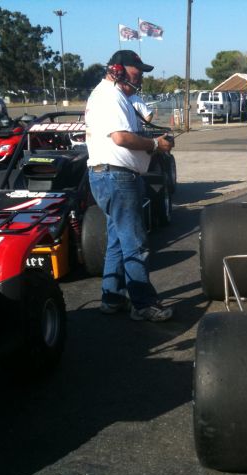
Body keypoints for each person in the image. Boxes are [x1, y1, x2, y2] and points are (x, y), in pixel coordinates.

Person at [85, 50, 174, 322]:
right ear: (118, 69)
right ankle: (143, 304)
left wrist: (151, 142)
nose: (142, 76)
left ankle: (112, 298)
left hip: (109, 176)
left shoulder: (114, 96)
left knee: (117, 240)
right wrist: (155, 145)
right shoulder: (110, 96)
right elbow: (121, 137)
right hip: (117, 177)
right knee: (135, 243)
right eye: (138, 70)